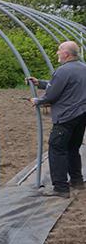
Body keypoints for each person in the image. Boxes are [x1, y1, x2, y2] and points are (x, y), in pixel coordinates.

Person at [27, 40, 86, 198]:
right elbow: (62, 86)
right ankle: (77, 181)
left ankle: (60, 188)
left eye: (59, 50)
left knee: (57, 149)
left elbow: (52, 95)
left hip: (66, 117)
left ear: (66, 54)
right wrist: (40, 83)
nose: (57, 53)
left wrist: (37, 101)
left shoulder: (62, 70)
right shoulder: (83, 68)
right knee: (73, 148)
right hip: (81, 116)